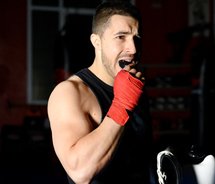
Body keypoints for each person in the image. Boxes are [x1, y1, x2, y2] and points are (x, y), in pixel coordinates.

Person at [47, 2, 155, 184]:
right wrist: (122, 105)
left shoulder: (135, 88)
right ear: (96, 42)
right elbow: (80, 172)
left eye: (136, 38)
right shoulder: (70, 93)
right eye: (121, 37)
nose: (133, 49)